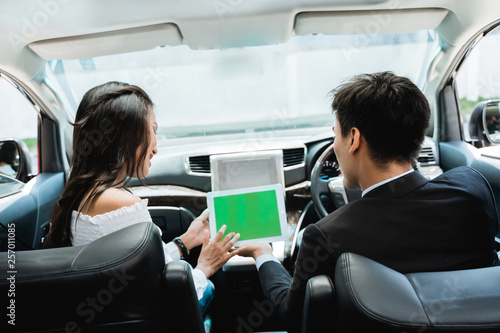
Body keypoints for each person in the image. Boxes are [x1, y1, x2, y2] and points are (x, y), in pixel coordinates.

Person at [239, 72, 499, 332]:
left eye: (336, 136)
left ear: (353, 139)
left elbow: (292, 319)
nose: (336, 147)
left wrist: (264, 255)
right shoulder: (472, 190)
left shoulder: (326, 236)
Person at [46, 81, 245, 314]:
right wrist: (205, 267)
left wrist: (186, 241)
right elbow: (163, 299)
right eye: (153, 129)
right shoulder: (121, 203)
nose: (156, 146)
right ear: (126, 136)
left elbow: (137, 269)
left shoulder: (81, 195)